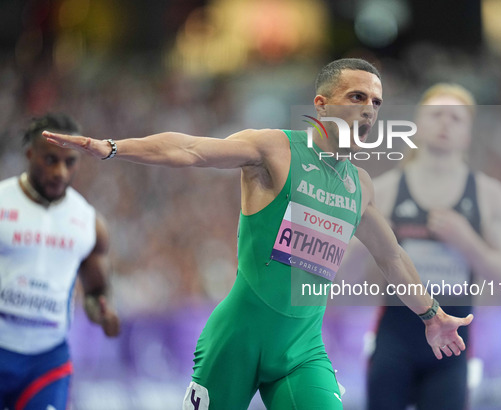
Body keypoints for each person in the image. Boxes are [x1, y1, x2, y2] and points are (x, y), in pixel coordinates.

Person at [43, 59, 473, 410]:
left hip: (303, 350)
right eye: (356, 96)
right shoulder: (275, 149)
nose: (368, 109)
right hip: (236, 341)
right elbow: (191, 150)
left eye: (376, 102)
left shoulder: (359, 185)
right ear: (321, 105)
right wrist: (114, 147)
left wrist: (432, 315)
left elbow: (391, 256)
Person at [366, 84, 501, 410]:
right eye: (436, 114)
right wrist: (371, 239)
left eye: (456, 118)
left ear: (468, 133)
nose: (445, 123)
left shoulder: (488, 194)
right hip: (395, 341)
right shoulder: (386, 190)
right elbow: (345, 272)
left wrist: (468, 241)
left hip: (452, 349)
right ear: (418, 124)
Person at [0, 113, 120, 410]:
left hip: (47, 362)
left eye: (70, 162)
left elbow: (96, 294)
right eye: (50, 160)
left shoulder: (88, 222)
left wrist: (102, 313)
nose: (60, 173)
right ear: (30, 155)